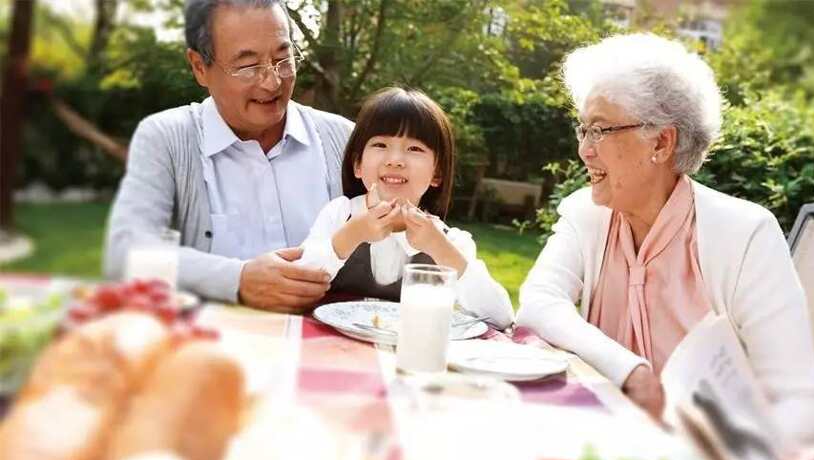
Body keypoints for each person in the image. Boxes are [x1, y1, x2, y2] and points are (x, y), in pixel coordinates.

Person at [516, 33, 814, 445]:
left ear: (662, 142)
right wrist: (629, 370)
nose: (584, 151)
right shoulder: (587, 214)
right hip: (602, 444)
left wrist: (733, 458)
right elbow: (538, 302)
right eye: (583, 129)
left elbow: (800, 402)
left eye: (600, 130)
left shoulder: (744, 234)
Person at [103, 0, 353, 313]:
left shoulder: (343, 140)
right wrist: (237, 279)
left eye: (282, 58)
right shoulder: (166, 139)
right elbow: (125, 253)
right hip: (208, 346)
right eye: (248, 66)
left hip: (329, 353)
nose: (272, 81)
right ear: (199, 67)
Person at [297, 87, 514, 327]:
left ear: (437, 173)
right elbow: (297, 284)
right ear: (357, 164)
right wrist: (352, 234)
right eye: (380, 145)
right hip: (330, 348)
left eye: (414, 149)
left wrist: (439, 248)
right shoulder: (339, 214)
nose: (395, 160)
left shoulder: (449, 241)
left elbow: (501, 317)